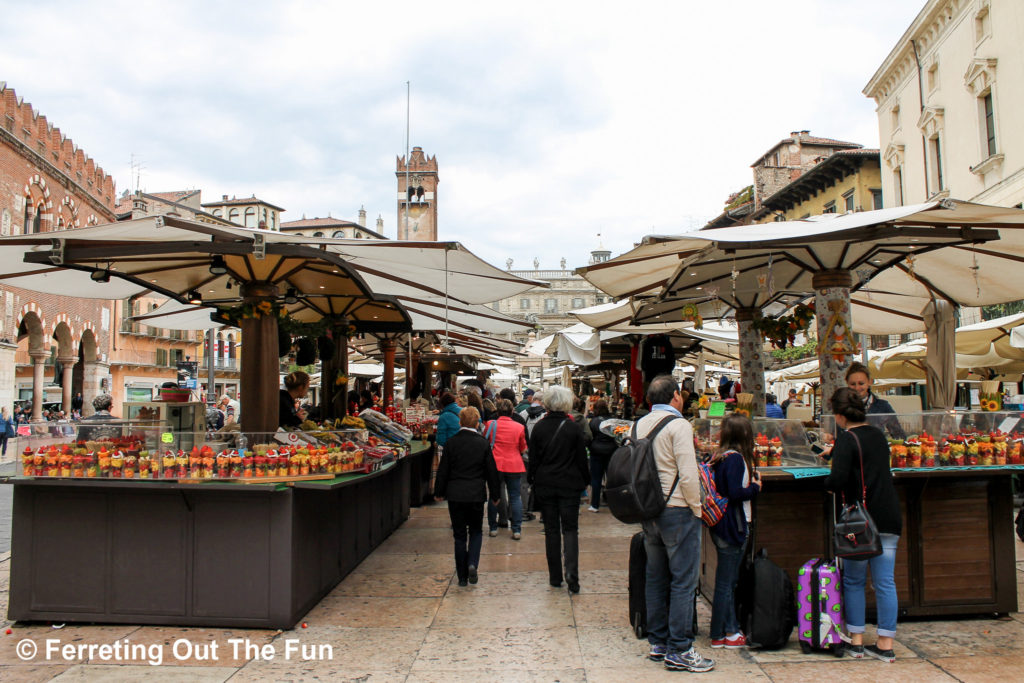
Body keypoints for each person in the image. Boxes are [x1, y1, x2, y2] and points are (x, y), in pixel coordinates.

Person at [637, 374, 714, 673]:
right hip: (678, 510)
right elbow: (689, 473)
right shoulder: (679, 425)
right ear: (676, 397)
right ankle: (680, 648)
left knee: (656, 577)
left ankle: (659, 642)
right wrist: (697, 509)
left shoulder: (639, 424)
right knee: (683, 581)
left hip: (649, 511)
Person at [824, 387, 901, 662]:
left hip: (860, 523)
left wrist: (828, 483)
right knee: (885, 583)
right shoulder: (878, 435)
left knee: (854, 580)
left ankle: (856, 640)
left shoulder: (847, 438)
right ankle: (885, 643)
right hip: (889, 515)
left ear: (839, 415)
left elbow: (838, 478)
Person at [527, 385, 588, 593]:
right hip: (569, 486)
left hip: (546, 485)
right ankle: (572, 573)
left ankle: (555, 576)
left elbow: (533, 459)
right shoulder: (573, 428)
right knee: (570, 529)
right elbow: (582, 459)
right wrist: (585, 481)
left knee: (551, 530)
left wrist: (532, 479)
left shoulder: (540, 428)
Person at [709, 415, 762, 649]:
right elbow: (735, 493)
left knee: (726, 581)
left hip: (720, 524)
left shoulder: (719, 457)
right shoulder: (737, 460)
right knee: (726, 583)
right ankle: (722, 633)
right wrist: (755, 488)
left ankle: (727, 630)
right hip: (735, 524)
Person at [433, 406, 501, 586]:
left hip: (455, 495)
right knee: (476, 531)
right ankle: (472, 563)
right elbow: (491, 472)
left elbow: (443, 471)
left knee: (459, 535)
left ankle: (462, 577)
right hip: (476, 494)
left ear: (460, 422)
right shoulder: (483, 443)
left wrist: (439, 492)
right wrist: (495, 494)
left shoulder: (451, 443)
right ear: (477, 422)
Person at [485, 398, 528, 539]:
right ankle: (516, 529)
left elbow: (485, 442)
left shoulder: (491, 424)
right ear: (512, 411)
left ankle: (493, 527)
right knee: (515, 497)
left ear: (497, 410)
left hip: (495, 465)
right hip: (514, 464)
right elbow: (523, 448)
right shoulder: (519, 427)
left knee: (494, 495)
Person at [845, 362, 905, 438]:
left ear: (869, 382)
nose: (857, 388)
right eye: (853, 384)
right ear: (847, 383)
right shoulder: (842, 406)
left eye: (861, 383)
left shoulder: (883, 406)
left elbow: (899, 435)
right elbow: (836, 435)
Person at [586, 399, 618, 512]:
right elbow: (617, 435)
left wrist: (591, 446)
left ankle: (595, 505)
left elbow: (589, 436)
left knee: (596, 479)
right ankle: (614, 503)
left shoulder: (593, 421)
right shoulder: (612, 421)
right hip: (611, 451)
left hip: (596, 452)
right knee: (612, 478)